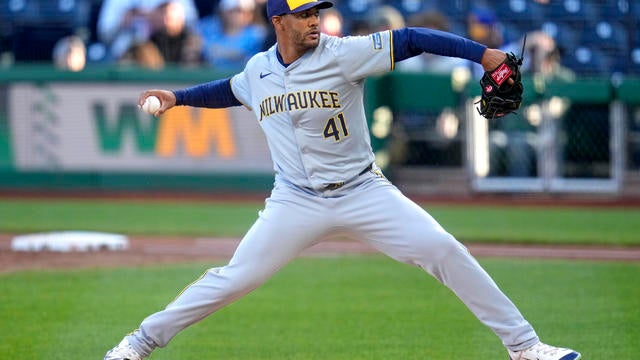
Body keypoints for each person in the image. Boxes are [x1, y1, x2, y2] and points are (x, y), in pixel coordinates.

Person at [104, 1, 582, 359]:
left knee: (443, 250)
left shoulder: (344, 53)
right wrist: (177, 97)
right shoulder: (258, 70)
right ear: (278, 22)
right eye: (303, 14)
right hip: (294, 202)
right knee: (234, 279)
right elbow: (225, 90)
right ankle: (138, 343)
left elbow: (413, 37)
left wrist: (483, 55)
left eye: (317, 12)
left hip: (363, 190)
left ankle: (526, 348)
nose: (314, 20)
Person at [197, 0, 266, 71]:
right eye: (236, 11)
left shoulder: (258, 33)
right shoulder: (209, 29)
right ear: (224, 12)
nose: (241, 15)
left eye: (247, 11)